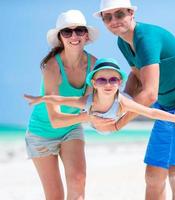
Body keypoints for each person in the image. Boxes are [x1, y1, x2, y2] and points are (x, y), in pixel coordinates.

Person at [93, 0, 175, 199]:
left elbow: (149, 94)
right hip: (165, 107)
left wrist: (118, 122)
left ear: (131, 13)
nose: (114, 20)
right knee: (153, 176)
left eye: (119, 14)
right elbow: (136, 76)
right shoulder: (123, 41)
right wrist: (112, 109)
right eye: (108, 17)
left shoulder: (146, 37)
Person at [25, 9, 105, 199]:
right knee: (55, 196)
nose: (74, 36)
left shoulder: (95, 65)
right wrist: (89, 116)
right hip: (41, 134)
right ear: (60, 37)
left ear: (86, 35)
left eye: (79, 30)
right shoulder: (52, 66)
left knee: (78, 181)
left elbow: (88, 102)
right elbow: (56, 120)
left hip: (71, 129)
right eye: (67, 32)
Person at [24, 58, 175, 131]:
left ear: (118, 82)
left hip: (123, 103)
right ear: (93, 83)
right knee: (131, 89)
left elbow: (151, 112)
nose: (108, 84)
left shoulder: (122, 101)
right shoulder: (87, 100)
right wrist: (40, 99)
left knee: (134, 87)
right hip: (102, 121)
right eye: (101, 81)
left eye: (113, 80)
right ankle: (136, 72)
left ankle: (141, 69)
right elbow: (59, 99)